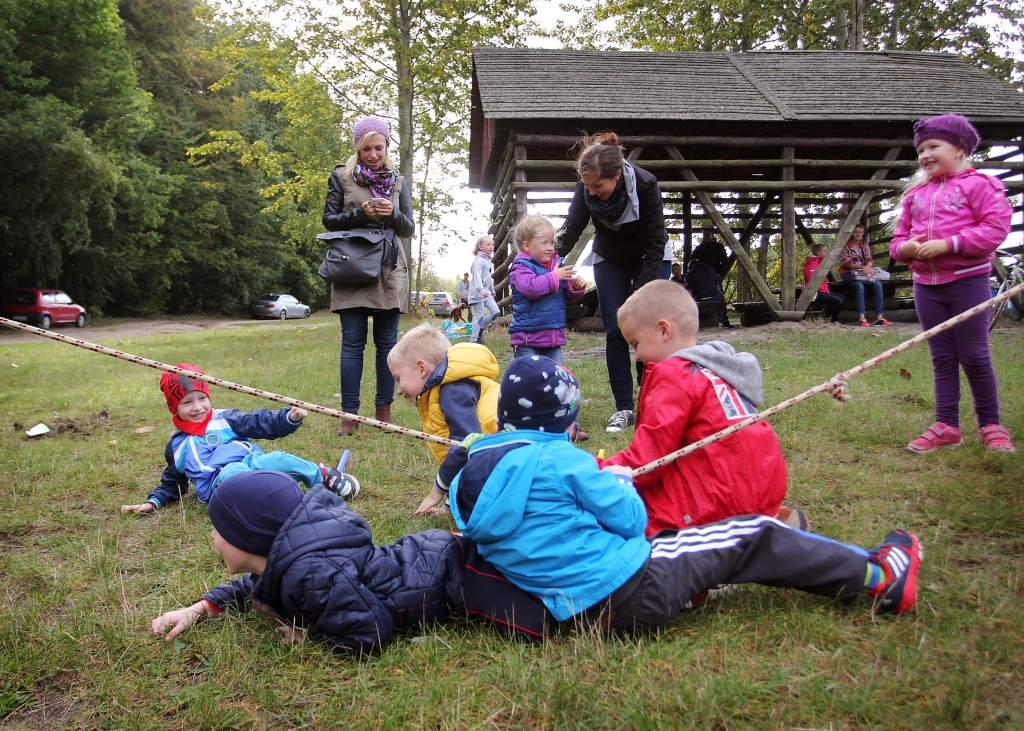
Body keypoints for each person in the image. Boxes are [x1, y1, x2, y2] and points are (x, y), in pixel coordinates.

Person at [448, 356, 924, 636]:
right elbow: (631, 521)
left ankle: (700, 586)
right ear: (564, 422)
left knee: (696, 549)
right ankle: (880, 575)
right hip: (633, 588)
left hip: (577, 612)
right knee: (753, 534)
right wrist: (619, 483)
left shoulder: (471, 473)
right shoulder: (565, 460)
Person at [597, 280, 790, 536]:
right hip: (763, 491)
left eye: (636, 344)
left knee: (623, 519)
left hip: (724, 504)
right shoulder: (718, 365)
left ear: (664, 331)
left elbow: (647, 462)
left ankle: (743, 537)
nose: (637, 356)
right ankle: (766, 523)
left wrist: (597, 471)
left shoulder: (673, 375)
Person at [890, 113, 1015, 453]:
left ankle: (991, 425)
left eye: (934, 146)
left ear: (959, 148)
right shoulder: (916, 194)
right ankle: (947, 426)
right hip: (926, 287)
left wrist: (949, 244)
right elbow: (898, 239)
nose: (925, 155)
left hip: (967, 283)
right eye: (920, 150)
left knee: (974, 355)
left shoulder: (981, 185)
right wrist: (905, 249)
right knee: (942, 357)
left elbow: (994, 229)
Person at [555, 131, 672, 433]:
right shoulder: (586, 188)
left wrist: (640, 294)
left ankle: (650, 401)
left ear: (616, 175)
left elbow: (655, 243)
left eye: (598, 186)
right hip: (610, 255)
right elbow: (571, 228)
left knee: (645, 325)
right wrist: (545, 262)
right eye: (587, 186)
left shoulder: (645, 184)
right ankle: (625, 408)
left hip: (650, 254)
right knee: (616, 328)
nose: (591, 192)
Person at [120, 367, 343, 514]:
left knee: (276, 458)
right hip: (221, 486)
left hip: (252, 463)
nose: (197, 407)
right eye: (187, 403)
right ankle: (279, 504)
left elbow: (258, 422)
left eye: (202, 398)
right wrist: (153, 502)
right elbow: (172, 484)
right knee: (233, 472)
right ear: (174, 407)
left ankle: (326, 479)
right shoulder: (178, 446)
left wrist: (289, 418)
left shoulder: (224, 418)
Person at [323, 115, 414, 436]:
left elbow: (408, 228)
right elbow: (329, 220)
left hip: (389, 269)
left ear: (387, 147)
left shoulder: (398, 182)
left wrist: (394, 213)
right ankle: (349, 415)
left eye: (378, 148)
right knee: (352, 344)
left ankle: (383, 411)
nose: (373, 154)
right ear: (357, 149)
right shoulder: (341, 177)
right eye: (366, 149)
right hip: (352, 267)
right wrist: (359, 214)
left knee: (388, 344)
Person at [387, 323, 500, 514]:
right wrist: (451, 506)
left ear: (421, 368)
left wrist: (437, 491)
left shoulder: (452, 391)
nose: (398, 390)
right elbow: (466, 463)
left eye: (398, 379)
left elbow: (467, 444)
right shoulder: (448, 388)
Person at [508, 214, 590, 442]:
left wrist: (575, 287)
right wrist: (555, 276)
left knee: (562, 383)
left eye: (552, 242)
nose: (550, 247)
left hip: (552, 338)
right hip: (527, 339)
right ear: (527, 246)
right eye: (544, 242)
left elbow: (566, 294)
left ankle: (569, 428)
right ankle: (526, 428)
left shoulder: (557, 265)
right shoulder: (520, 267)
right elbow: (531, 288)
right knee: (528, 385)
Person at [840, 225, 891, 327]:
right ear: (852, 233)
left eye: (860, 232)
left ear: (863, 233)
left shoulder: (864, 245)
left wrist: (868, 266)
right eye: (855, 232)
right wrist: (864, 267)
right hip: (848, 273)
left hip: (864, 272)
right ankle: (862, 318)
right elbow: (847, 264)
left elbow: (869, 258)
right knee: (859, 286)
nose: (858, 234)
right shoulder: (845, 246)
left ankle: (879, 317)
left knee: (878, 285)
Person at [468, 235, 500, 345]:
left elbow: (488, 277)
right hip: (477, 293)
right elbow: (477, 277)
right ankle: (474, 340)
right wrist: (481, 290)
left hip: (486, 292)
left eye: (492, 244)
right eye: (488, 244)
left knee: (496, 312)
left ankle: (480, 328)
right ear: (480, 247)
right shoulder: (479, 261)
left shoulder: (487, 260)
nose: (491, 247)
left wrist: (491, 289)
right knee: (480, 316)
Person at [803, 243, 846, 323]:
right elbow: (811, 279)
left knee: (842, 298)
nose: (827, 252)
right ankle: (824, 317)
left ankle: (833, 320)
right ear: (819, 253)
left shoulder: (819, 262)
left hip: (821, 290)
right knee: (838, 300)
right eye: (825, 251)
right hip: (813, 292)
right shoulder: (813, 263)